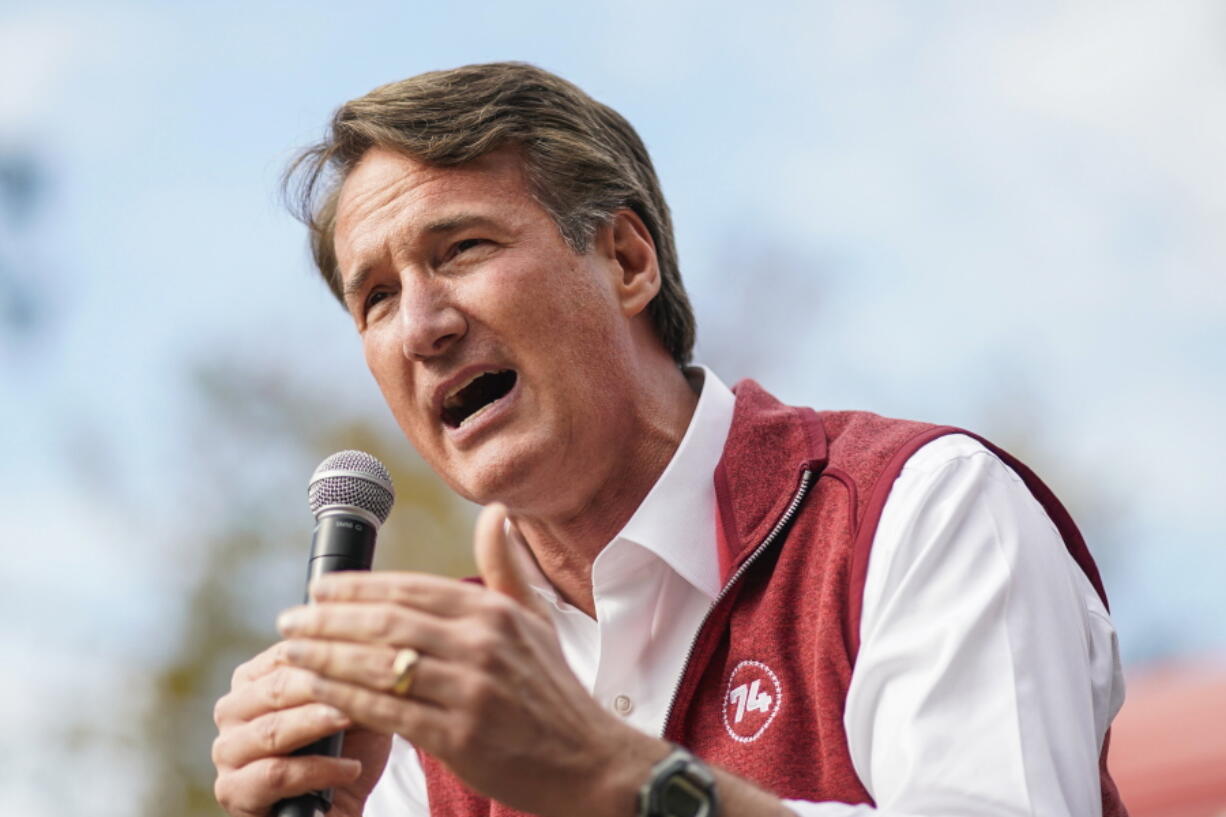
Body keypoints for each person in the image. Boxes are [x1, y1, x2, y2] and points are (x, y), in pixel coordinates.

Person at [211, 62, 1129, 817]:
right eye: (374, 297)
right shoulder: (433, 696)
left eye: (462, 249)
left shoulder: (920, 510)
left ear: (626, 259)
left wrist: (617, 780)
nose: (420, 325)